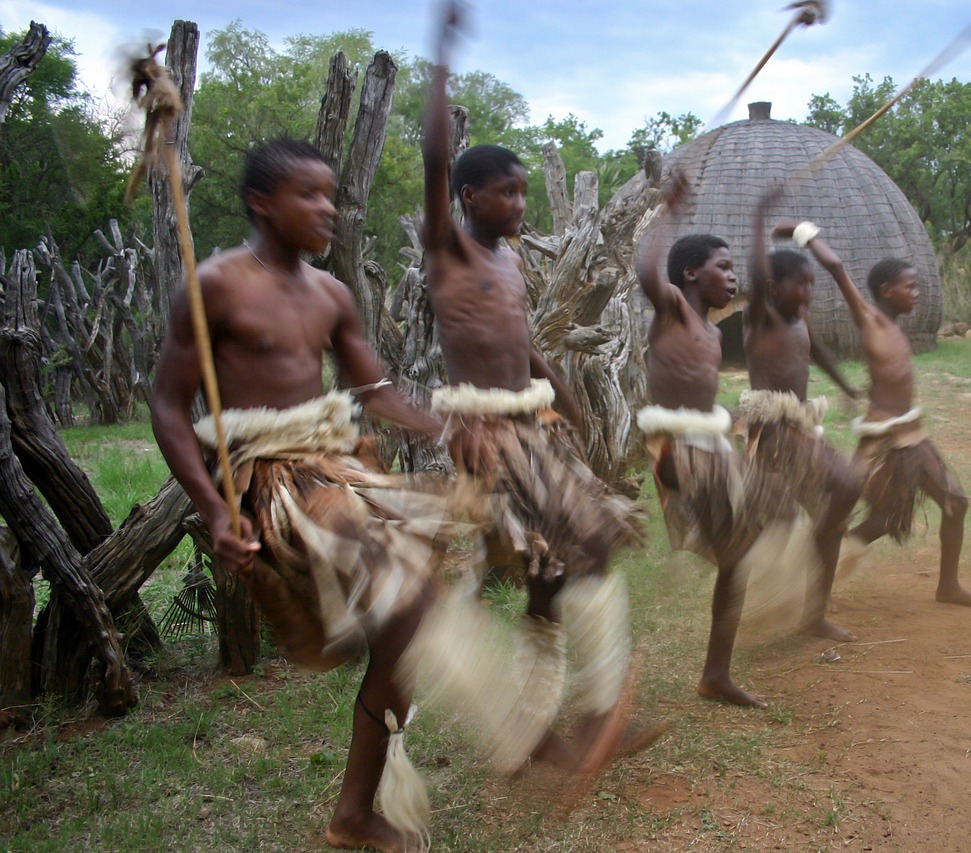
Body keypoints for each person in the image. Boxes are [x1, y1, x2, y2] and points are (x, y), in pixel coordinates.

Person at [152, 138, 449, 852]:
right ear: (262, 203)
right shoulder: (218, 283)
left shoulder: (331, 293)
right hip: (270, 480)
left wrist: (442, 421)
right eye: (310, 195)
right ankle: (358, 795)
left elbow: (371, 387)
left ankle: (354, 811)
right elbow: (167, 402)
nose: (329, 210)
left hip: (328, 463)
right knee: (406, 595)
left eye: (333, 196)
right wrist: (213, 508)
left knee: (411, 615)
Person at [419, 0, 650, 777]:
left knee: (561, 568)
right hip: (487, 435)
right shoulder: (449, 253)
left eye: (523, 192)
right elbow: (430, 161)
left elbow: (520, 341)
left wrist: (561, 390)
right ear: (468, 197)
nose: (519, 205)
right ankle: (577, 716)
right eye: (505, 193)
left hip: (531, 420)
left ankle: (543, 725)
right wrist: (443, 52)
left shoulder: (513, 262)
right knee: (577, 552)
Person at [775, 221, 971, 609]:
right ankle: (815, 568)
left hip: (912, 433)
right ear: (886, 291)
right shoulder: (871, 318)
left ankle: (948, 586)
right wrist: (802, 232)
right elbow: (837, 268)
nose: (917, 294)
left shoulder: (894, 326)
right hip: (883, 440)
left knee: (954, 503)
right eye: (911, 287)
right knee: (873, 518)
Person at [636, 172, 789, 709]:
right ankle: (714, 656)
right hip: (676, 451)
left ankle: (715, 675)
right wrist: (668, 210)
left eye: (732, 268)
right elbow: (644, 269)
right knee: (756, 523)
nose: (732, 278)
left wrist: (732, 417)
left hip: (706, 445)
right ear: (690, 273)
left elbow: (700, 395)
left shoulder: (710, 333)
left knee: (741, 555)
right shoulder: (673, 307)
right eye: (723, 268)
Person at [739, 190, 862, 642]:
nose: (808, 292)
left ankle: (813, 613)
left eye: (813, 284)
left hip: (800, 426)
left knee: (829, 514)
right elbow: (755, 270)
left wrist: (847, 385)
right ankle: (793, 563)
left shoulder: (798, 319)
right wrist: (759, 213)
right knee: (845, 486)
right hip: (772, 430)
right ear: (772, 288)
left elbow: (819, 354)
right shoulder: (761, 316)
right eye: (800, 284)